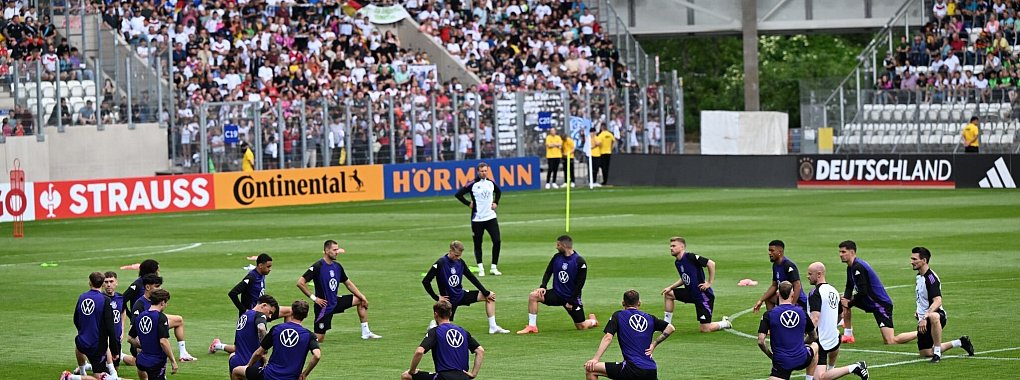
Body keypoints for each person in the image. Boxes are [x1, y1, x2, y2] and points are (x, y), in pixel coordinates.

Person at [758, 282, 869, 380]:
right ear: (792, 294)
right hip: (802, 358)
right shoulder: (802, 313)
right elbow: (813, 336)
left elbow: (761, 341)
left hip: (781, 362)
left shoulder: (769, 315)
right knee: (815, 346)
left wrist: (770, 355)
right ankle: (809, 378)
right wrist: (802, 345)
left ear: (778, 294)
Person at [296, 239, 381, 342]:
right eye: (334, 250)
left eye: (337, 249)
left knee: (359, 300)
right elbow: (300, 282)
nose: (337, 252)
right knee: (319, 339)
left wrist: (362, 296)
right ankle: (297, 337)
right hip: (324, 307)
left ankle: (366, 333)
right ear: (327, 250)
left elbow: (348, 283)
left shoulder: (337, 266)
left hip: (335, 302)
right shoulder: (318, 266)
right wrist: (315, 298)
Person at [584, 290, 676, 380]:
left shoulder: (619, 315)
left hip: (632, 369)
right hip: (651, 370)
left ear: (623, 303)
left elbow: (608, 337)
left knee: (591, 369)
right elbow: (670, 328)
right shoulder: (650, 318)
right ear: (639, 303)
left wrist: (595, 359)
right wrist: (654, 344)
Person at [422, 240, 509, 334]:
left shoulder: (460, 262)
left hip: (461, 295)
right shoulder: (440, 263)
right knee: (444, 329)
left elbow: (471, 277)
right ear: (450, 251)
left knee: (490, 297)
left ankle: (493, 327)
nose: (458, 257)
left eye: (459, 255)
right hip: (449, 301)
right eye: (456, 255)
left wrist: (485, 292)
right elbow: (426, 281)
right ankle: (433, 325)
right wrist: (436, 297)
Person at [517, 235, 599, 334]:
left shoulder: (579, 262)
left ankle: (593, 321)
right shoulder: (557, 257)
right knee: (533, 296)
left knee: (581, 326)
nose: (556, 247)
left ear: (564, 245)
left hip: (571, 298)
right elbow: (548, 272)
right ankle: (532, 326)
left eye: (558, 245)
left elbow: (580, 284)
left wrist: (571, 300)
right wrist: (543, 286)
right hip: (557, 294)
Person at [838, 240, 915, 345]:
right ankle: (848, 335)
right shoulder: (850, 267)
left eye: (843, 252)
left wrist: (849, 303)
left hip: (880, 305)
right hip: (869, 301)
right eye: (840, 252)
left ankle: (923, 332)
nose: (840, 255)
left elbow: (863, 292)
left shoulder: (858, 267)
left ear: (852, 252)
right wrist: (845, 300)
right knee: (841, 300)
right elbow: (849, 286)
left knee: (890, 341)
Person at [908, 247, 974, 362]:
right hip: (923, 318)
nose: (911, 261)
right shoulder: (919, 277)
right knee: (925, 353)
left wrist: (924, 316)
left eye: (914, 259)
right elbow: (922, 299)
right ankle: (960, 342)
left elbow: (938, 301)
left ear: (924, 260)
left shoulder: (931, 278)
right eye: (911, 258)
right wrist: (918, 312)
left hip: (936, 316)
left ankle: (937, 354)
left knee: (934, 316)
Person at [807, 262, 870, 380]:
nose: (808, 276)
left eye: (810, 274)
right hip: (834, 338)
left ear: (819, 274)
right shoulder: (834, 291)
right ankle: (832, 372)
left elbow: (814, 318)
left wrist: (807, 337)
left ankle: (856, 367)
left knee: (819, 378)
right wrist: (830, 325)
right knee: (829, 372)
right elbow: (840, 315)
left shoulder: (815, 293)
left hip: (821, 340)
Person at [231, 300, 321, 380]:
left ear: (292, 312)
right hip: (291, 377)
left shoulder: (277, 329)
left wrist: (248, 366)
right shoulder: (309, 335)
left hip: (269, 375)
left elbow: (259, 353)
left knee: (236, 371)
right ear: (306, 316)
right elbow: (317, 355)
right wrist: (304, 374)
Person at [661, 237, 732, 332]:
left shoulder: (690, 257)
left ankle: (725, 323)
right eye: (670, 246)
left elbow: (711, 263)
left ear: (682, 247)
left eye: (674, 246)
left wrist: (709, 282)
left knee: (705, 329)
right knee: (668, 294)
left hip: (702, 296)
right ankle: (666, 325)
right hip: (690, 293)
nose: (671, 248)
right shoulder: (678, 262)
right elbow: (684, 278)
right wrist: (670, 287)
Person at [401, 299, 485, 380]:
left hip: (444, 377)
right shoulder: (463, 331)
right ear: (450, 313)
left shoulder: (435, 331)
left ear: (435, 314)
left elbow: (419, 351)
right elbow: (480, 350)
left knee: (406, 376)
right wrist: (473, 374)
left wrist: (412, 370)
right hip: (464, 377)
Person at [62, 272, 117, 380]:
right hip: (96, 346)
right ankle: (70, 377)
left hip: (82, 341)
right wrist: (115, 350)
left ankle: (82, 371)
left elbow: (76, 319)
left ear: (89, 283)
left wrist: (83, 331)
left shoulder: (82, 297)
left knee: (78, 344)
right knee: (100, 377)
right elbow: (110, 327)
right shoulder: (105, 300)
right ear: (103, 284)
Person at [129, 274, 197, 361]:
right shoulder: (139, 305)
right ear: (147, 287)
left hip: (153, 327)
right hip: (143, 340)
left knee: (178, 320)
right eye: (157, 286)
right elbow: (134, 329)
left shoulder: (155, 300)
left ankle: (183, 353)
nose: (160, 289)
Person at [454, 162, 503, 276]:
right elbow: (458, 194)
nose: (484, 173)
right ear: (478, 172)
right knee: (478, 243)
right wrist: (468, 203)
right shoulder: (473, 184)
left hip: (491, 217)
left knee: (497, 241)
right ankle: (480, 267)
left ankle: (494, 267)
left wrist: (496, 202)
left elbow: (498, 192)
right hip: (477, 219)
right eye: (482, 171)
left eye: (486, 171)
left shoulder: (490, 183)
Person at [213, 295, 279, 376]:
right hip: (251, 364)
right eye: (270, 312)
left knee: (232, 356)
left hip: (235, 362)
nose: (269, 316)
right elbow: (261, 328)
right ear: (264, 305)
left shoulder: (244, 315)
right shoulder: (260, 315)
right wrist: (264, 349)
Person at [753, 240, 811, 331]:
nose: (769, 253)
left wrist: (793, 304)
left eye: (772, 251)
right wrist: (761, 300)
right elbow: (774, 285)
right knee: (769, 298)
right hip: (784, 298)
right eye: (769, 250)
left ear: (780, 252)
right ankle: (772, 325)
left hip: (798, 301)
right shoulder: (775, 265)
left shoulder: (788, 265)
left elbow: (797, 285)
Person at [128, 289, 179, 380]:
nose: (166, 305)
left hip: (141, 360)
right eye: (166, 303)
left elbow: (130, 338)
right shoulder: (160, 317)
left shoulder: (139, 316)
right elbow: (163, 341)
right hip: (155, 362)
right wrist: (173, 361)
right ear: (162, 302)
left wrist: (144, 346)